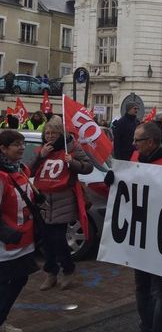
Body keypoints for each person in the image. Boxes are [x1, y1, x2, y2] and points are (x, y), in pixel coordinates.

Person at [113, 121, 162, 332]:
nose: (133, 144)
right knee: (141, 286)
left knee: (160, 290)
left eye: (137, 140)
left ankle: (159, 329)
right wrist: (114, 179)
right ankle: (146, 325)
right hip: (139, 233)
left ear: (151, 142)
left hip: (161, 235)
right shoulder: (135, 158)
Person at [29, 116, 93, 291]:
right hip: (43, 201)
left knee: (58, 239)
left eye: (53, 133)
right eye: (47, 133)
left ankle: (68, 270)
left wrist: (72, 162)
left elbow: (88, 167)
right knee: (45, 241)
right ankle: (51, 273)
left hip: (63, 200)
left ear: (61, 133)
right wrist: (40, 157)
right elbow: (29, 170)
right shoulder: (43, 149)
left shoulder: (71, 147)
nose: (49, 136)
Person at [0, 130, 39, 332]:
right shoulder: (1, 175)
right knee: (6, 283)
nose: (22, 147)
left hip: (24, 240)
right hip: (6, 245)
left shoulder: (22, 169)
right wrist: (7, 233)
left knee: (19, 279)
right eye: (16, 144)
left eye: (23, 143)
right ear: (3, 149)